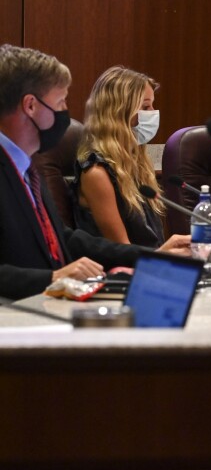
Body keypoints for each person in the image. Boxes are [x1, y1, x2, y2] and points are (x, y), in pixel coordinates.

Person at [0, 45, 189, 301]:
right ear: (31, 106)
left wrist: (152, 256)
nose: (65, 112)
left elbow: (64, 238)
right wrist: (53, 278)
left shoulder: (27, 168)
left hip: (47, 309)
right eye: (60, 102)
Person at [73, 66, 166, 247]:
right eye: (146, 106)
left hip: (148, 266)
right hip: (118, 271)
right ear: (120, 112)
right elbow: (123, 250)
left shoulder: (136, 164)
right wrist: (166, 255)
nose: (153, 112)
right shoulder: (96, 173)